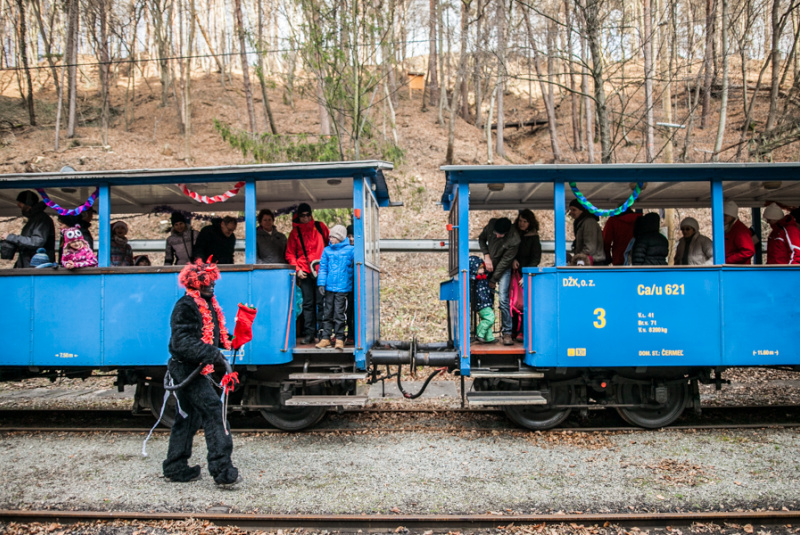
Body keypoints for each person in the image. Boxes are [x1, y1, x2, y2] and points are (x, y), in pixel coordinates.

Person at [163, 258, 240, 486]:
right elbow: (181, 342)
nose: (211, 287)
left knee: (188, 416)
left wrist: (234, 339)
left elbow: (214, 336)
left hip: (194, 368)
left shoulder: (208, 303)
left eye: (212, 283)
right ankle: (222, 469)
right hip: (186, 368)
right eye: (207, 284)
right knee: (213, 409)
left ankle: (176, 467)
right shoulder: (186, 306)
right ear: (195, 284)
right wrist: (213, 354)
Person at [286, 203, 330, 344]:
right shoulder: (295, 233)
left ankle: (323, 333)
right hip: (304, 271)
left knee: (322, 302)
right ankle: (309, 333)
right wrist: (297, 269)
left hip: (320, 271)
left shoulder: (320, 227)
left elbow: (330, 245)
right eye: (302, 215)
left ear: (311, 215)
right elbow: (290, 254)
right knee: (307, 304)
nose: (305, 218)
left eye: (307, 215)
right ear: (298, 216)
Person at [478, 217, 520, 346]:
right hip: (489, 263)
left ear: (507, 233)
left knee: (503, 299)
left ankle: (507, 332)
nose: (496, 236)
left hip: (503, 269)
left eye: (500, 235)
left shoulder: (514, 239)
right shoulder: (491, 225)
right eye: (495, 233)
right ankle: (486, 331)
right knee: (485, 298)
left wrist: (493, 279)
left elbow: (504, 262)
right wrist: (486, 256)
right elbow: (481, 239)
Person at [315, 225, 354, 349]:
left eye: (333, 237)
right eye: (330, 236)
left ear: (340, 238)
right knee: (327, 313)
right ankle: (326, 338)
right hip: (329, 287)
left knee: (339, 314)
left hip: (343, 288)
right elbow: (323, 268)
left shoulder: (351, 250)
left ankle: (339, 339)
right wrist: (321, 283)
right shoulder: (327, 251)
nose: (330, 239)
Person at [0, 190, 56, 268]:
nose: (19, 207)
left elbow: (37, 242)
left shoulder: (41, 219)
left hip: (37, 266)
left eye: (21, 205)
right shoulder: (34, 219)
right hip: (29, 263)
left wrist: (11, 237)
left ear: (28, 204)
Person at [568, 199, 606, 265]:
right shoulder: (581, 223)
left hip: (593, 263)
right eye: (570, 210)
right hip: (587, 261)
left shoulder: (589, 222)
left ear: (582, 210)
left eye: (574, 210)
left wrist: (576, 258)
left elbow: (590, 248)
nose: (571, 213)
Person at [469, 255, 495, 344]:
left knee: (486, 319)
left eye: (483, 268)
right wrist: (475, 274)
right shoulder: (474, 280)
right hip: (482, 302)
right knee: (490, 319)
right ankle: (479, 333)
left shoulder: (484, 277)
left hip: (486, 301)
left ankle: (489, 338)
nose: (482, 270)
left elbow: (489, 271)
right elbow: (471, 277)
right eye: (480, 268)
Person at [723, 200, 755, 264]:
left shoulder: (740, 230)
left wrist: (727, 261)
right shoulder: (729, 228)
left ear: (733, 216)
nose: (723, 218)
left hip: (738, 270)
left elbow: (748, 251)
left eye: (726, 215)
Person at [345, 224, 355, 343]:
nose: (351, 239)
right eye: (349, 236)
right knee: (348, 311)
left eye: (353, 236)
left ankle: (353, 334)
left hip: (355, 285)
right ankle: (350, 334)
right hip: (347, 285)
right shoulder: (344, 250)